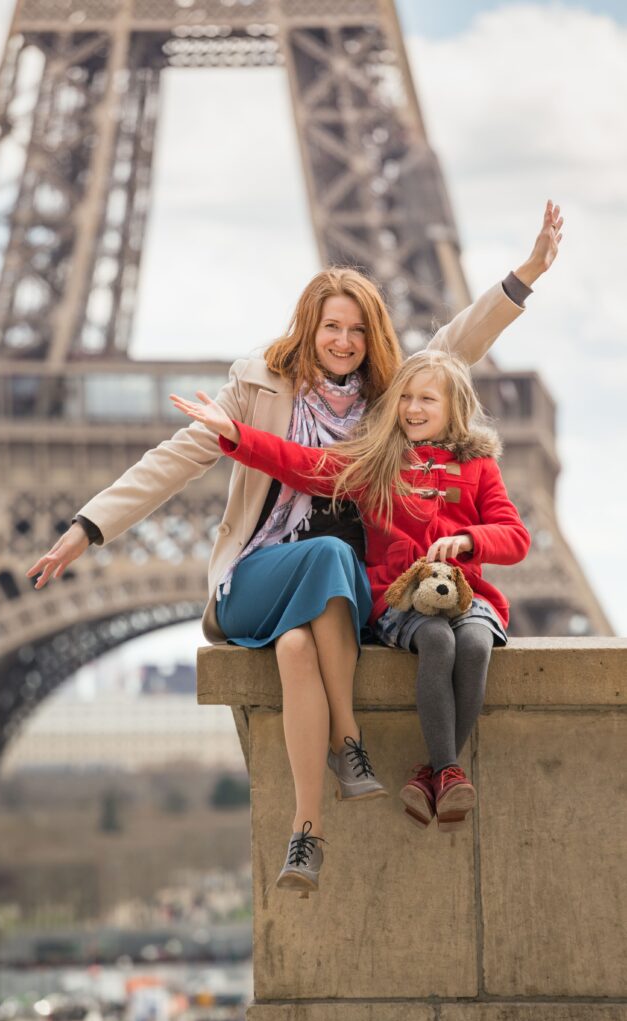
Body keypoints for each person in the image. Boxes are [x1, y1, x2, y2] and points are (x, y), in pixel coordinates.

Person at [27, 201, 562, 896]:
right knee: (330, 556)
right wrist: (85, 528)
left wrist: (522, 277)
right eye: (330, 327)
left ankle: (304, 832)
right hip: (262, 573)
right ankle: (349, 742)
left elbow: (455, 344)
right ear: (307, 329)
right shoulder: (255, 390)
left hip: (334, 599)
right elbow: (173, 459)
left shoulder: (386, 404)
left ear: (372, 339)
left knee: (297, 646)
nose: (342, 341)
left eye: (356, 330)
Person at [170, 348, 530, 847]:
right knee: (438, 644)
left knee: (473, 645)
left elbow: (515, 536)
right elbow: (302, 465)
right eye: (404, 396)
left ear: (455, 407)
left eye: (427, 398)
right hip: (401, 597)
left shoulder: (480, 468)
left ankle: (437, 773)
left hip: (467, 595)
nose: (413, 408)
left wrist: (470, 539)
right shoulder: (374, 463)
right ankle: (448, 770)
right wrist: (235, 433)